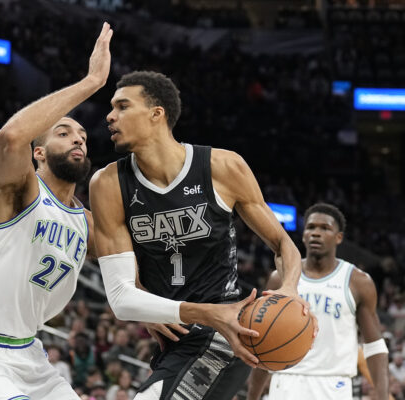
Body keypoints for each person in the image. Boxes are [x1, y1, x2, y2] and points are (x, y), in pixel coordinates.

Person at [89, 70, 316, 400]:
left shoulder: (222, 167)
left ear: (157, 114)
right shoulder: (108, 184)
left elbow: (283, 244)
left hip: (225, 334)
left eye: (123, 106)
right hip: (178, 340)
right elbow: (122, 293)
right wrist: (151, 308)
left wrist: (290, 288)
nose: (110, 116)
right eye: (111, 107)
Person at [0, 22, 113, 400]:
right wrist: (92, 82)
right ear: (39, 152)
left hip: (27, 353)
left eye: (81, 135)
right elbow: (10, 137)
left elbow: (133, 272)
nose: (78, 138)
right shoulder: (21, 191)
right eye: (63, 133)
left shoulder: (88, 223)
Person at [247, 203, 389, 400]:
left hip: (334, 384)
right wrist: (252, 396)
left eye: (325, 228)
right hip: (287, 380)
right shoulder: (280, 277)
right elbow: (264, 343)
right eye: (311, 227)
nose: (316, 233)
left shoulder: (358, 281)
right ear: (304, 234)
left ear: (339, 237)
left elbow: (374, 346)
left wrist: (382, 395)